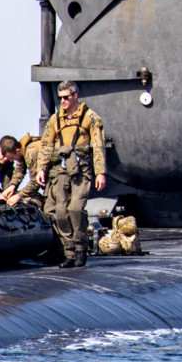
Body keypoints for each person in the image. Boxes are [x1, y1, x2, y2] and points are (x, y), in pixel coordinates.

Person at [36, 80, 107, 267]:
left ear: (75, 96)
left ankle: (81, 249)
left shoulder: (90, 118)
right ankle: (69, 252)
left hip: (81, 171)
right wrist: (41, 169)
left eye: (66, 97)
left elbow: (98, 147)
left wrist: (100, 173)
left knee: (75, 209)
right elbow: (46, 146)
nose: (63, 101)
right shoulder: (55, 119)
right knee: (60, 213)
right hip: (60, 170)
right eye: (60, 98)